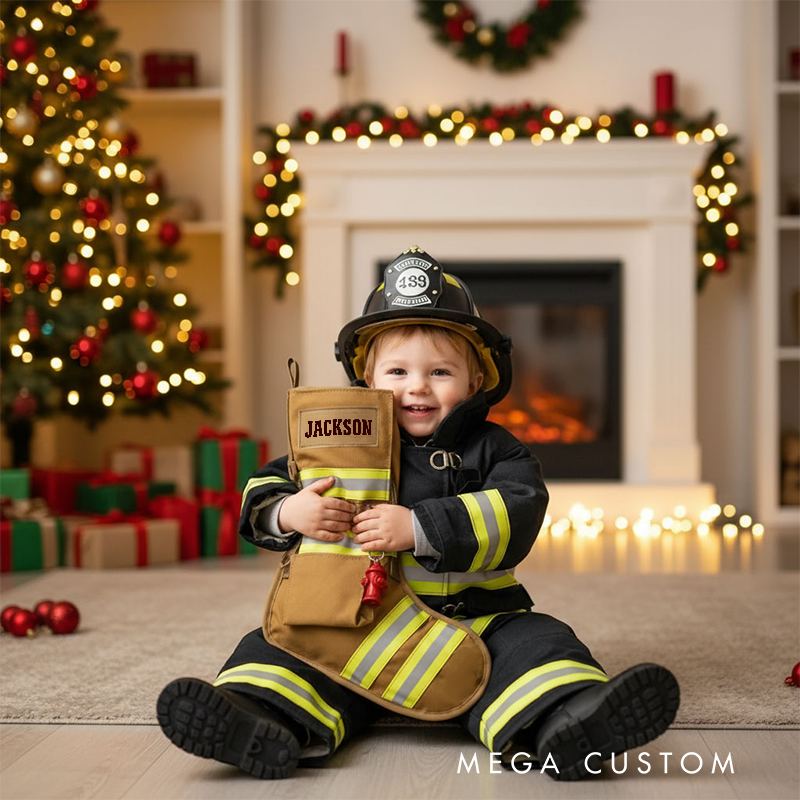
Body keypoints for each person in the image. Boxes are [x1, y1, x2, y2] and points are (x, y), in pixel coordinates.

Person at [157, 246, 679, 781]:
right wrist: (290, 511)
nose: (417, 386)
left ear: (476, 381)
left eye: (440, 371)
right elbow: (266, 483)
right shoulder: (338, 441)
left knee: (540, 643)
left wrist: (419, 527)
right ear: (366, 377)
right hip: (351, 628)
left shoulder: (496, 449)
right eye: (398, 370)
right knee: (278, 647)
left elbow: (521, 508)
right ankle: (252, 717)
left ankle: (572, 721)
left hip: (475, 622)